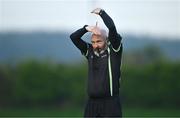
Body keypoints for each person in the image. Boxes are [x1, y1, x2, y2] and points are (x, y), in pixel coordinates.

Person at [70, 8, 123, 117]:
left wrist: (102, 13)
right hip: (91, 104)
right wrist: (86, 29)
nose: (95, 45)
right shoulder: (89, 51)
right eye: (93, 42)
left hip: (110, 103)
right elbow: (73, 37)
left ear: (106, 40)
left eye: (99, 41)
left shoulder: (114, 50)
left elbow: (112, 28)